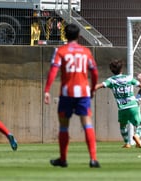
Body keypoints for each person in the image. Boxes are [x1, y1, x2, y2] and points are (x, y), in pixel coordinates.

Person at [44, 23, 100, 168]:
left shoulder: (60, 51)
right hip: (83, 93)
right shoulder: (86, 51)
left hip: (66, 93)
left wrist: (47, 90)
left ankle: (63, 159)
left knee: (63, 126)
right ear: (79, 36)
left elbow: (53, 71)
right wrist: (93, 88)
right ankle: (93, 159)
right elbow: (94, 72)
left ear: (65, 35)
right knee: (87, 123)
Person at [95, 59, 141, 148]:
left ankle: (127, 143)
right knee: (139, 125)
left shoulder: (111, 80)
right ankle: (137, 136)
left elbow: (100, 85)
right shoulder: (128, 78)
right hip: (133, 106)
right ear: (121, 69)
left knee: (122, 126)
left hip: (122, 108)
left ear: (112, 70)